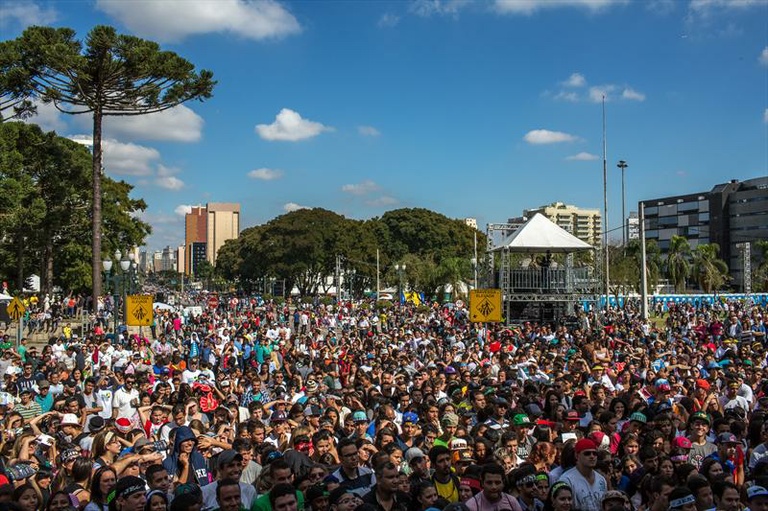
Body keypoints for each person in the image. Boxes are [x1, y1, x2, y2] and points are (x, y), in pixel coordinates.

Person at [557, 439, 608, 511]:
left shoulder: (601, 480)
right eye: (587, 453)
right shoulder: (566, 480)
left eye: (594, 453)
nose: (592, 456)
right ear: (577, 455)